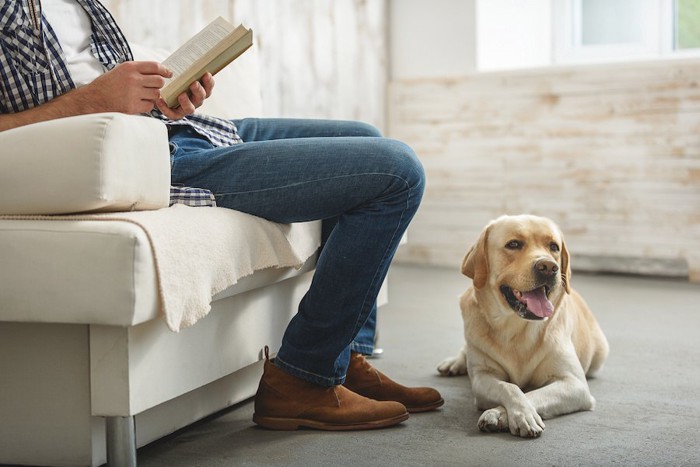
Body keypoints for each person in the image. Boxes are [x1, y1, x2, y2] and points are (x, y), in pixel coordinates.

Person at [0, 0, 443, 430]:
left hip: (178, 129)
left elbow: (113, 94)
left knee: (365, 136)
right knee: (396, 172)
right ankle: (304, 378)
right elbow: (91, 103)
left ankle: (343, 356)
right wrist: (94, 101)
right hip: (151, 160)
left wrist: (164, 97)